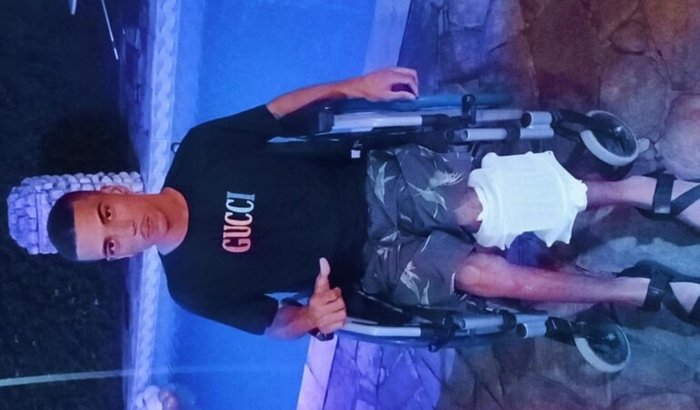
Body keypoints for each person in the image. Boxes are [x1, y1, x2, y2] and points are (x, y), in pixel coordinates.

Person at [46, 68, 700, 339]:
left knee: (475, 208)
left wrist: (354, 86)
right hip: (374, 266)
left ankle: (635, 192)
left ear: (113, 193)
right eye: (111, 244)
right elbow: (275, 324)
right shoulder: (193, 288)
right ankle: (641, 290)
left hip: (377, 183)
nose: (125, 230)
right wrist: (314, 315)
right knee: (488, 277)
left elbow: (278, 111)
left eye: (108, 215)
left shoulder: (201, 151)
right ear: (117, 257)